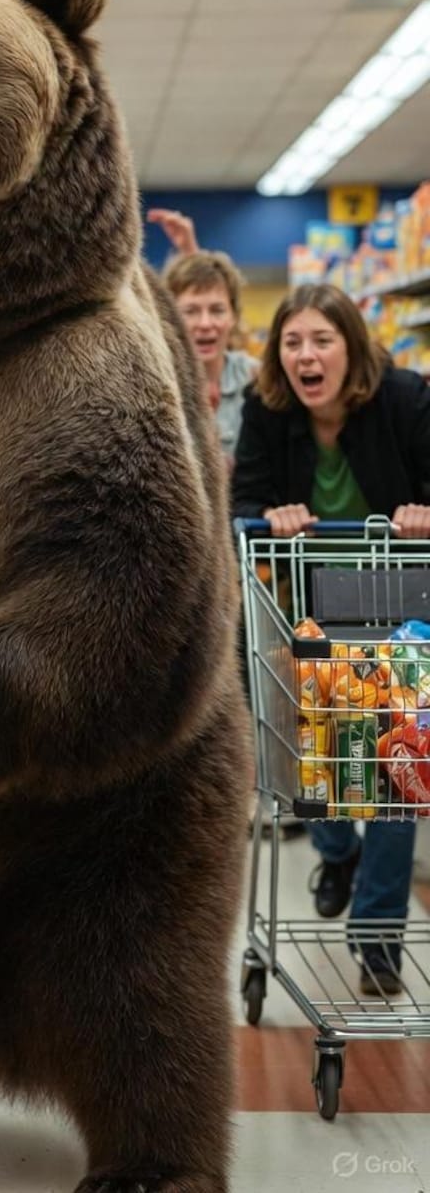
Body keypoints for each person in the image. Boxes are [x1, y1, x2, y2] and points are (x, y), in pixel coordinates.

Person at [232, 283, 430, 997]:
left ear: (352, 346)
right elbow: (244, 501)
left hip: (401, 609)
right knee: (311, 762)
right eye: (292, 342)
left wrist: (419, 513)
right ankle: (336, 851)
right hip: (309, 613)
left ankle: (378, 939)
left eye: (321, 340)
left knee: (397, 778)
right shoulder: (267, 408)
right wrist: (270, 514)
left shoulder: (406, 399)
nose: (306, 355)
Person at [164, 249, 257, 467]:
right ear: (170, 317)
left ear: (233, 316)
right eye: (191, 311)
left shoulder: (257, 379)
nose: (205, 324)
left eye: (217, 310)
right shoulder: (156, 386)